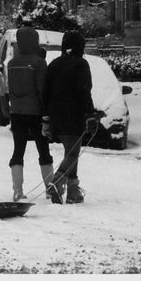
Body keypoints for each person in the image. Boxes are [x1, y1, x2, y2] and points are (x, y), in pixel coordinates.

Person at [42, 29, 100, 203]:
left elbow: (46, 92)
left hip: (56, 115)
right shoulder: (81, 65)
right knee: (73, 153)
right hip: (74, 114)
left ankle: (73, 193)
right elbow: (84, 91)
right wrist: (90, 112)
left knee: (70, 151)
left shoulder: (54, 64)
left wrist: (46, 117)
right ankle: (56, 182)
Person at [4, 26, 56, 202]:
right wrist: (47, 115)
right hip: (36, 113)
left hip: (17, 112)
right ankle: (50, 188)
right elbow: (43, 90)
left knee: (18, 150)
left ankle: (17, 190)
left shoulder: (12, 63)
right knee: (43, 150)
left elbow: (9, 90)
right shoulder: (39, 63)